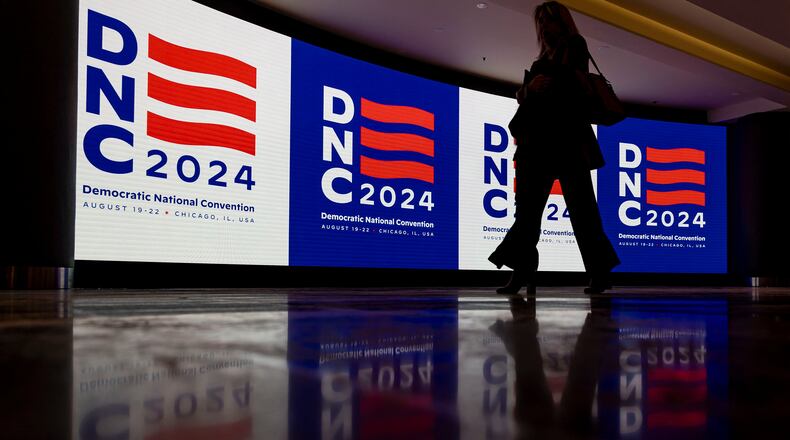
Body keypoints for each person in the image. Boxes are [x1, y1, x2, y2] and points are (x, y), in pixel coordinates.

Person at [488, 1, 620, 295]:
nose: (545, 27)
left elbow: (567, 89)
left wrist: (536, 87)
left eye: (550, 20)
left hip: (567, 143)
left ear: (562, 21)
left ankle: (598, 274)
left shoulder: (574, 45)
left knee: (582, 212)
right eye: (541, 22)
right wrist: (529, 89)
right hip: (536, 144)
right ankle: (523, 273)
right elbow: (528, 97)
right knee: (527, 214)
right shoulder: (542, 59)